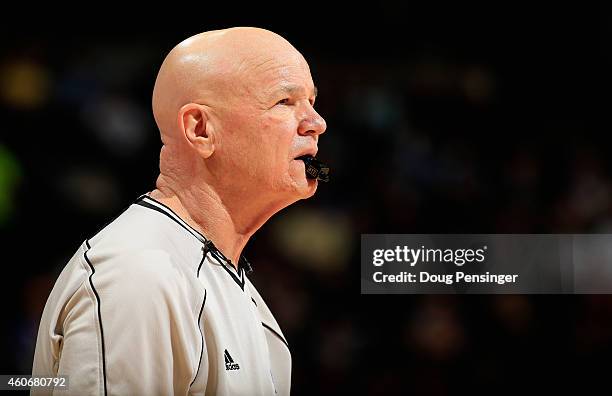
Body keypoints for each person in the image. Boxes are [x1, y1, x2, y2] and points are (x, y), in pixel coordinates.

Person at [32, 27, 327, 395]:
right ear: (200, 129)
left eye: (312, 102)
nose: (317, 123)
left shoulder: (224, 280)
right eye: (285, 102)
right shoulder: (138, 276)